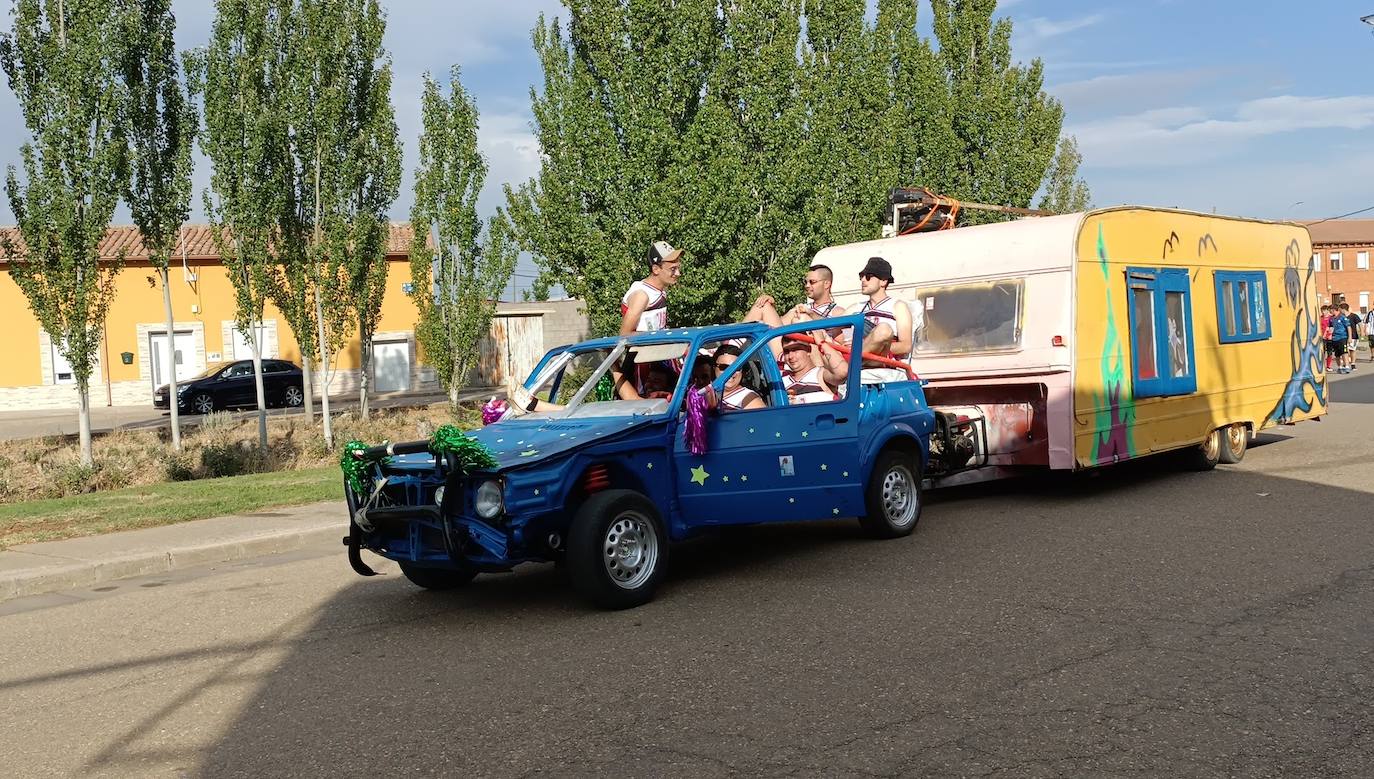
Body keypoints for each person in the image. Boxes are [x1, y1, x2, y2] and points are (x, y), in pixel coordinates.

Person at [853, 257, 913, 382]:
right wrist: (810, 314)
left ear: (883, 281)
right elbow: (831, 325)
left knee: (883, 330)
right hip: (860, 356)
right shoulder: (856, 308)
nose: (863, 280)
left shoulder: (897, 306)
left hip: (882, 360)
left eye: (868, 276)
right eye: (861, 276)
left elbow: (906, 346)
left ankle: (850, 365)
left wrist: (877, 346)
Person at [619, 241, 683, 336]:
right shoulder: (642, 296)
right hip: (643, 350)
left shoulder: (660, 290)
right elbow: (624, 334)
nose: (678, 273)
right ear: (656, 269)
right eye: (672, 269)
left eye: (678, 268)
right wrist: (658, 337)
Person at [779, 336, 846, 404]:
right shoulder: (780, 379)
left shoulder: (820, 375)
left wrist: (821, 343)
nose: (790, 356)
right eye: (786, 351)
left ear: (808, 350)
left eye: (795, 350)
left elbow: (842, 372)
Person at [710, 344, 766, 411]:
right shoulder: (707, 392)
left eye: (736, 368)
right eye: (724, 367)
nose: (730, 373)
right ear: (714, 368)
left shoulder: (749, 398)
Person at [1330, 303, 1350, 374]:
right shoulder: (1332, 318)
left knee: (1344, 352)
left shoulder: (1342, 317)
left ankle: (1347, 367)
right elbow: (1331, 328)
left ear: (1334, 310)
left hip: (1342, 337)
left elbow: (1348, 327)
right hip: (1335, 339)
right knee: (1337, 354)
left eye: (1331, 310)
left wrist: (1349, 337)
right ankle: (1340, 367)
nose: (1330, 312)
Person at [1342, 303, 1360, 371]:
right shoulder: (1342, 317)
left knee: (1352, 350)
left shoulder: (1353, 316)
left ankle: (1353, 364)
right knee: (1345, 350)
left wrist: (1362, 332)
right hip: (1344, 336)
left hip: (1353, 336)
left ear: (1343, 309)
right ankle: (1345, 364)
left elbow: (1359, 324)